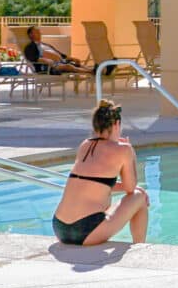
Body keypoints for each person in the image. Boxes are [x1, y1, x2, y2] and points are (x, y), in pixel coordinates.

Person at [51, 99, 148, 246]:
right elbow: (130, 188)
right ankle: (140, 246)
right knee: (139, 196)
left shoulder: (85, 145)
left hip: (60, 229)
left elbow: (96, 183)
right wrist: (130, 151)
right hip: (86, 230)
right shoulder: (123, 149)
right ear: (116, 125)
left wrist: (122, 186)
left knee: (133, 192)